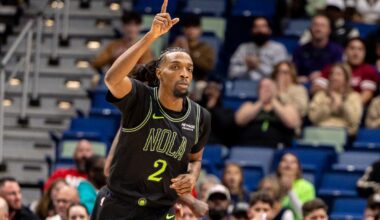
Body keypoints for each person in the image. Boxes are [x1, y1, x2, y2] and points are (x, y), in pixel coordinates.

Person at [91, 0, 211, 219]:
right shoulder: (141, 98)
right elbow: (112, 79)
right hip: (119, 204)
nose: (184, 73)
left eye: (189, 69)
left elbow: (195, 159)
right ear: (159, 73)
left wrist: (192, 177)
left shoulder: (200, 116)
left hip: (160, 210)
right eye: (175, 67)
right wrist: (151, 36)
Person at [235, 78, 300, 147]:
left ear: (276, 90)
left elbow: (291, 123)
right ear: (258, 91)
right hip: (250, 145)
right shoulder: (249, 105)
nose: (267, 90)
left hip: (278, 146)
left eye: (270, 87)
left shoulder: (286, 107)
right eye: (263, 87)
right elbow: (239, 121)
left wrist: (273, 101)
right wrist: (261, 102)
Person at [313, 37, 378, 105]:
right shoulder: (332, 68)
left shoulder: (368, 70)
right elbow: (316, 88)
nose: (356, 53)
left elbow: (366, 95)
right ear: (345, 50)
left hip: (353, 107)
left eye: (360, 49)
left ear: (365, 53)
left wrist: (347, 106)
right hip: (329, 104)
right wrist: (332, 97)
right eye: (352, 48)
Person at [309, 63, 363, 137]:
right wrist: (328, 105)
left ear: (346, 78)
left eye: (338, 74)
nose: (334, 77)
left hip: (346, 135)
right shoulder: (321, 95)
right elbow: (313, 118)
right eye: (332, 74)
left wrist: (342, 104)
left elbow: (354, 121)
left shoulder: (354, 97)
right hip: (321, 132)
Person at [293, 14, 343, 83]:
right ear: (310, 29)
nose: (318, 29)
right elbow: (293, 73)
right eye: (315, 25)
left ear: (329, 30)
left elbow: (339, 72)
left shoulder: (337, 50)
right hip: (304, 85)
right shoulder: (300, 50)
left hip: (328, 85)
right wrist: (297, 78)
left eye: (322, 26)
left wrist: (322, 74)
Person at [172, 13, 215, 82]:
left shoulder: (206, 48)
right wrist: (174, 48)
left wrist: (187, 51)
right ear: (183, 29)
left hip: (198, 80)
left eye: (194, 26)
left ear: (200, 29)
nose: (191, 30)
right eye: (188, 26)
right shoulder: (177, 44)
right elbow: (165, 64)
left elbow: (208, 67)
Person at [276, 153, 315, 220]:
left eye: (293, 162)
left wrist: (290, 191)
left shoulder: (307, 187)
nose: (288, 164)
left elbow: (304, 215)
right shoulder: (270, 184)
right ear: (279, 167)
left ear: (298, 169)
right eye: (284, 161)